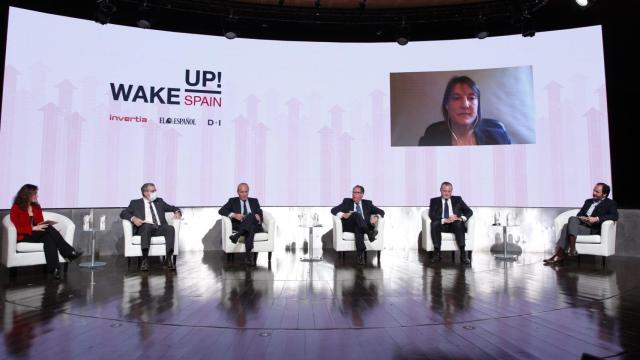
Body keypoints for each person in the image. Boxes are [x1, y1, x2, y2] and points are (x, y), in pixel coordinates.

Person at [9, 184, 83, 279]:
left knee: (49, 238)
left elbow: (41, 224)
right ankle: (70, 252)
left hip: (36, 235)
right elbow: (16, 228)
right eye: (35, 194)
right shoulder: (16, 208)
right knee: (49, 230)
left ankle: (55, 270)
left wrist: (53, 232)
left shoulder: (36, 207)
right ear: (26, 195)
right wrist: (32, 228)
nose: (37, 196)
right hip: (23, 236)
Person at [418, 75, 512, 146]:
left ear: (478, 104)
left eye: (471, 98)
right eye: (456, 98)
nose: (465, 105)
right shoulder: (431, 137)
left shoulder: (498, 136)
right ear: (446, 105)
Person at [544, 182, 618, 265]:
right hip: (583, 224)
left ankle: (560, 255)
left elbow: (614, 216)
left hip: (592, 228)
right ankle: (572, 249)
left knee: (566, 226)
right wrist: (583, 218)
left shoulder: (610, 203)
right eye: (594, 190)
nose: (594, 193)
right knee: (572, 218)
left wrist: (596, 219)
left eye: (597, 192)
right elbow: (579, 214)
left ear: (604, 194)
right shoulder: (588, 201)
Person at [120, 183, 181, 271]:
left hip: (159, 228)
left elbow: (173, 208)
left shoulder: (159, 201)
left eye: (155, 190)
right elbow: (123, 213)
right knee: (147, 226)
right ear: (145, 193)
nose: (155, 192)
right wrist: (133, 218)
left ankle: (168, 259)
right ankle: (145, 260)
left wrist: (177, 212)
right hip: (144, 228)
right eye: (153, 191)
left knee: (170, 228)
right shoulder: (135, 203)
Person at [331, 185, 385, 265]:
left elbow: (382, 212)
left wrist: (376, 217)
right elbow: (333, 210)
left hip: (360, 227)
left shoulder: (368, 204)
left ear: (361, 194)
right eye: (353, 192)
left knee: (358, 227)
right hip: (349, 226)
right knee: (356, 214)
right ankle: (370, 233)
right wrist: (342, 214)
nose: (353, 194)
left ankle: (360, 256)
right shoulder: (347, 202)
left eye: (356, 192)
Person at [218, 183, 264, 267]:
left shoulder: (254, 201)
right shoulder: (232, 201)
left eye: (246, 192)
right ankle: (248, 257)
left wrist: (259, 217)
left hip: (253, 225)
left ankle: (237, 235)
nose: (244, 194)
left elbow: (260, 213)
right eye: (242, 192)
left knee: (251, 216)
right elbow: (221, 211)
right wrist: (234, 215)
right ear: (238, 192)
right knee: (251, 228)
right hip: (240, 225)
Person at [428, 182, 473, 265]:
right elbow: (432, 214)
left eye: (449, 191)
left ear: (451, 191)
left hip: (454, 225)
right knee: (434, 223)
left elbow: (469, 211)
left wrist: (461, 218)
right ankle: (437, 254)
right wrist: (444, 220)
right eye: (444, 191)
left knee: (458, 223)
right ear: (440, 190)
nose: (447, 193)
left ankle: (463, 254)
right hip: (441, 225)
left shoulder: (458, 199)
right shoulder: (434, 201)